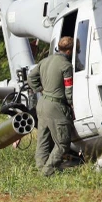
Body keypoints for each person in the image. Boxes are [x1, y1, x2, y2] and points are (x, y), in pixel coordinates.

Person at [28, 36, 75, 176]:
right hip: (55, 106)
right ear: (69, 51)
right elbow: (69, 89)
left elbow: (31, 78)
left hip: (42, 103)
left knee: (43, 140)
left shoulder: (45, 61)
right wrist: (72, 105)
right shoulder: (66, 65)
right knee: (63, 143)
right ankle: (47, 171)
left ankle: (40, 168)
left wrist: (40, 89)